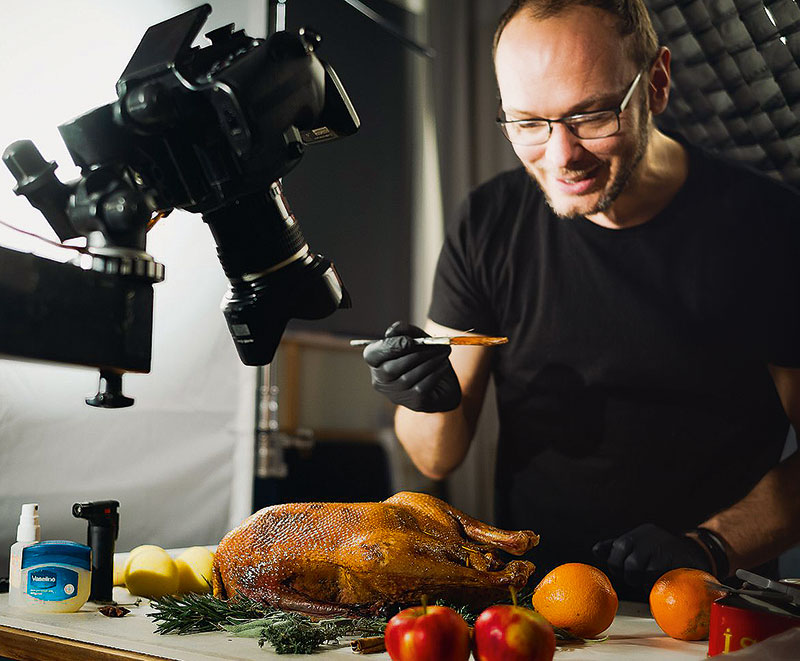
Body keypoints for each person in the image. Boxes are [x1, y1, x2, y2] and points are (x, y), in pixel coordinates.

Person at [362, 0, 800, 599]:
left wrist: (712, 546)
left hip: (712, 605)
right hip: (534, 608)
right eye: (528, 123)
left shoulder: (769, 228)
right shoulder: (489, 221)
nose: (561, 155)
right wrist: (425, 398)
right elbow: (437, 458)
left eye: (591, 116)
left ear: (657, 84)